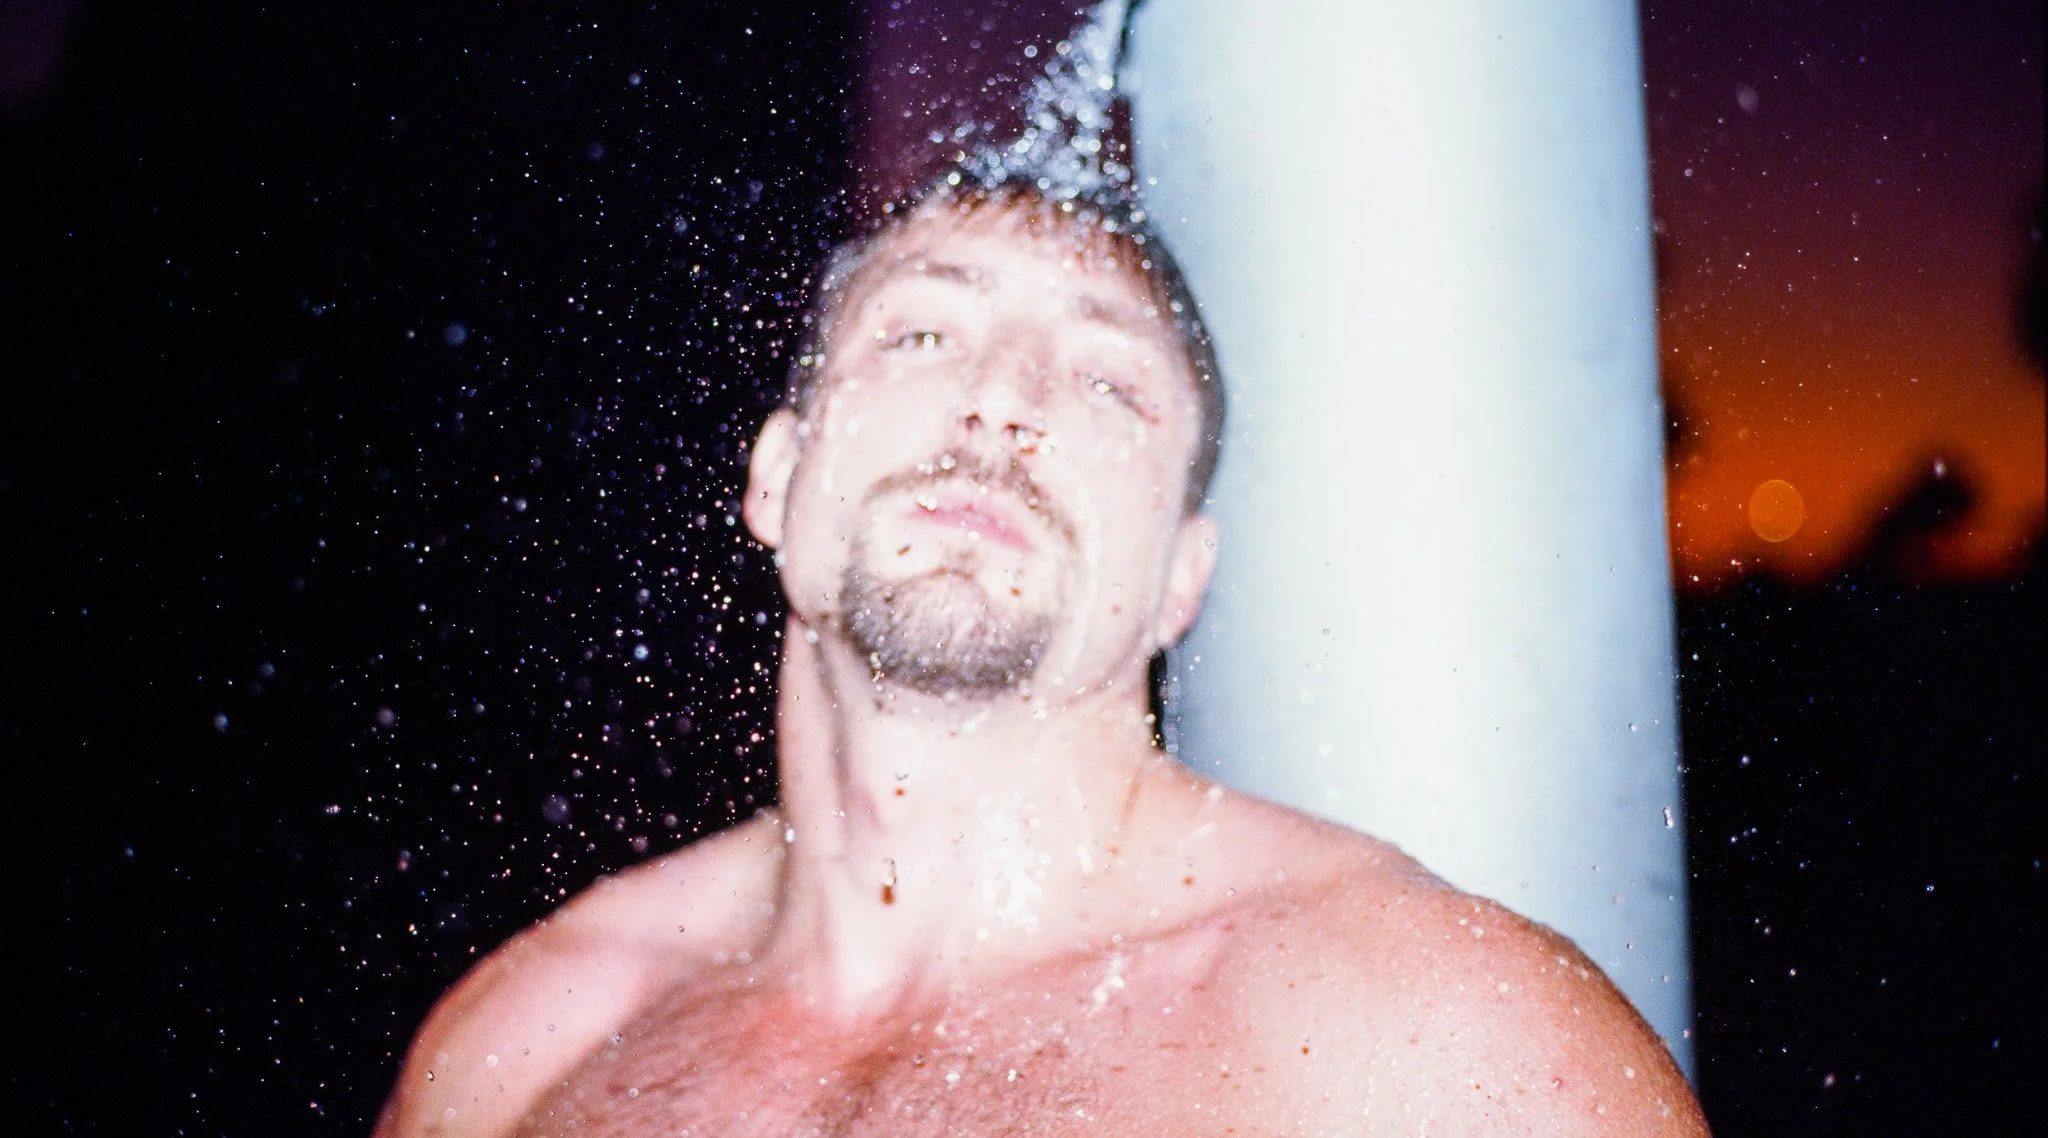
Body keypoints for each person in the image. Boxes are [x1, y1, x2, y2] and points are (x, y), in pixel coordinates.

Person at [378, 179, 1706, 1135]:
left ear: (1182, 579)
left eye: (1106, 381)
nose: (1002, 398)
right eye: (922, 332)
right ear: (779, 478)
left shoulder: (1434, 1035)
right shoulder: (527, 1040)